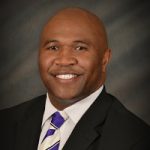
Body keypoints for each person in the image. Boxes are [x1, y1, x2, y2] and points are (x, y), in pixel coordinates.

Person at [0, 7, 150, 150]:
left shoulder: (136, 141)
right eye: (53, 47)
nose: (64, 60)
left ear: (104, 59)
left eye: (80, 48)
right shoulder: (6, 123)